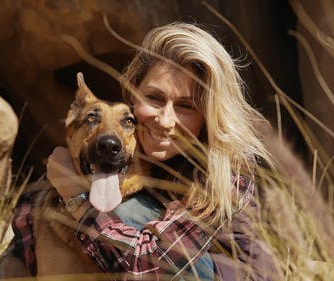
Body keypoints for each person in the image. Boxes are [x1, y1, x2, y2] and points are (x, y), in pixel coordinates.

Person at [47, 22, 280, 281]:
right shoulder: (123, 139)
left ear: (207, 115)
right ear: (133, 92)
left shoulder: (228, 170)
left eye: (185, 106)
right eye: (155, 99)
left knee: (127, 210)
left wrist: (76, 198)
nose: (165, 120)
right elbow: (32, 218)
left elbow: (150, 269)